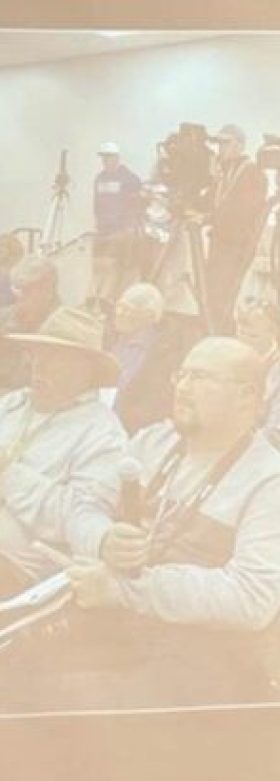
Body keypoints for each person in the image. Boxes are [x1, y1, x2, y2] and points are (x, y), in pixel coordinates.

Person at [60, 335, 280, 709]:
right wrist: (102, 539)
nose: (182, 388)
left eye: (202, 378)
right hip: (123, 627)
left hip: (197, 657)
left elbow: (252, 600)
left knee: (66, 705)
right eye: (182, 375)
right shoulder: (152, 443)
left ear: (247, 397)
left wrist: (126, 590)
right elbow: (82, 505)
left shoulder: (272, 482)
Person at [0, 306, 124, 595]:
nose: (38, 365)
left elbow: (82, 521)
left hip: (17, 573)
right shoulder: (13, 404)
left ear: (86, 369)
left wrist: (9, 475)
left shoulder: (104, 435)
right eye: (36, 354)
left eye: (54, 358)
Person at [204, 125, 266, 333]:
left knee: (223, 296)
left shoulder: (252, 172)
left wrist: (209, 218)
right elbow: (213, 202)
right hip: (220, 242)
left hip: (235, 245)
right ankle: (216, 335)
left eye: (226, 143)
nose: (220, 148)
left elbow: (241, 214)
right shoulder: (225, 172)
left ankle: (224, 338)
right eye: (219, 143)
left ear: (239, 145)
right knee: (212, 294)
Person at [108, 281, 183, 435]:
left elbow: (153, 403)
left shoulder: (162, 354)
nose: (120, 313)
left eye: (128, 310)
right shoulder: (109, 338)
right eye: (119, 306)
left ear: (150, 317)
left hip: (126, 428)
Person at [235, 295, 280, 448]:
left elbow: (274, 435)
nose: (244, 342)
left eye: (253, 336)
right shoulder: (225, 361)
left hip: (260, 455)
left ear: (273, 333)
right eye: (240, 334)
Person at [90, 141, 142, 311]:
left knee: (113, 265)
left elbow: (135, 206)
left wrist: (129, 229)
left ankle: (107, 301)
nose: (105, 161)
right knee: (98, 264)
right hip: (103, 230)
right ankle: (92, 299)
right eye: (103, 158)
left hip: (120, 230)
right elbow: (97, 205)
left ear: (116, 158)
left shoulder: (130, 179)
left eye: (109, 157)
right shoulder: (100, 179)